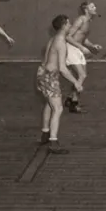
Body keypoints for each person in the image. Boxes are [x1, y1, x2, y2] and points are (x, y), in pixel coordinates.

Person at [37, 14, 83, 155]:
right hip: (50, 77)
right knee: (58, 109)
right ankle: (53, 142)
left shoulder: (54, 38)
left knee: (49, 104)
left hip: (42, 73)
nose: (70, 26)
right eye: (68, 24)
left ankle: (45, 133)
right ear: (63, 26)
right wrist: (76, 82)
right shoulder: (61, 42)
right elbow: (62, 68)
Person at [64, 1, 102, 113]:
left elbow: (82, 38)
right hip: (71, 48)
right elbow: (68, 37)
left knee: (82, 76)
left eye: (95, 6)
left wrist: (92, 46)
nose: (95, 7)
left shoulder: (88, 21)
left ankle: (70, 99)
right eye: (92, 6)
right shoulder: (81, 20)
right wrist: (81, 47)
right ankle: (74, 104)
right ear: (86, 9)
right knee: (82, 75)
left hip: (77, 49)